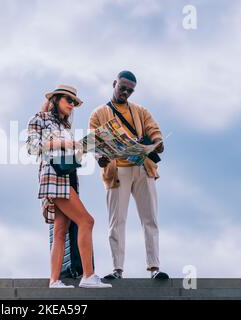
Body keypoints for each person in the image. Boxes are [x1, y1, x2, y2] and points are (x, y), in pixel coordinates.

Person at [26, 84, 111, 289]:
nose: (72, 105)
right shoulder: (39, 119)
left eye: (74, 102)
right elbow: (32, 147)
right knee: (87, 221)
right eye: (69, 100)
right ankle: (88, 276)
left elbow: (67, 154)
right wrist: (62, 144)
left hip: (68, 176)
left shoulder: (65, 126)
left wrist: (84, 148)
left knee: (60, 231)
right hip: (53, 176)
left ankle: (54, 281)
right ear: (56, 99)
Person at [88, 71, 169, 280]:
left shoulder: (140, 110)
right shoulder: (98, 113)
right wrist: (100, 157)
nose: (125, 92)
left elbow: (153, 129)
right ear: (114, 83)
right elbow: (93, 141)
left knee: (150, 218)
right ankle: (117, 269)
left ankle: (154, 267)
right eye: (122, 88)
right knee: (117, 221)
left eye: (130, 90)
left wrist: (157, 142)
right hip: (117, 171)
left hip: (143, 167)